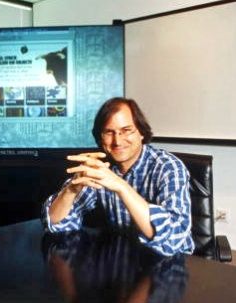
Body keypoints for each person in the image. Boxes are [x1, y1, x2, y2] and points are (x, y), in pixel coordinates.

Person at [41, 97, 195, 256]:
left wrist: (121, 186)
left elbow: (174, 238)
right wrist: (71, 190)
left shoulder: (169, 168)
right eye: (109, 132)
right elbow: (56, 225)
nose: (117, 141)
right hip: (124, 261)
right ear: (100, 137)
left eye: (126, 130)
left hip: (173, 264)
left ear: (141, 132)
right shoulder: (101, 166)